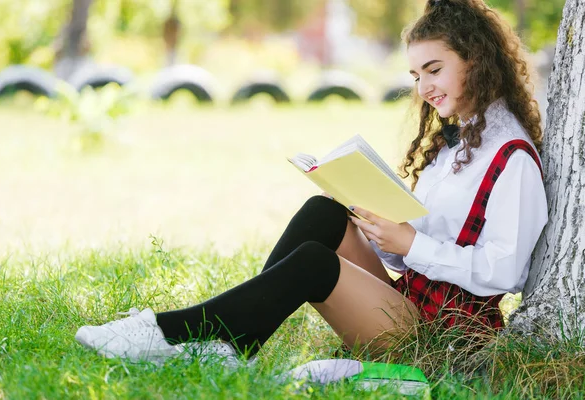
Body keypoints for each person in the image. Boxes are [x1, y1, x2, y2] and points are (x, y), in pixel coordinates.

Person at [75, 0, 548, 363]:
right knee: (324, 212)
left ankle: (169, 332)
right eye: (415, 74)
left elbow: (507, 273)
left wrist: (411, 244)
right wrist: (379, 228)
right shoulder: (455, 142)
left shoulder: (513, 158)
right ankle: (231, 338)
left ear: (477, 61)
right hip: (412, 301)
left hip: (446, 338)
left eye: (434, 70)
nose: (423, 88)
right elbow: (415, 246)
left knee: (314, 265)